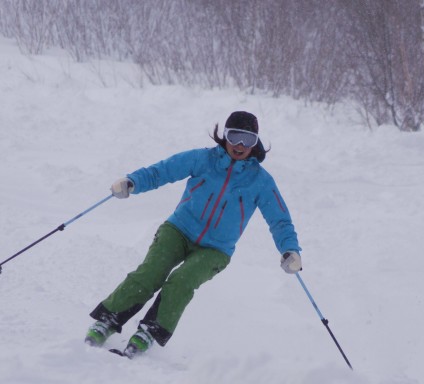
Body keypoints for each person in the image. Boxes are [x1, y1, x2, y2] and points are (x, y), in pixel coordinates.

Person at [85, 111, 302, 358]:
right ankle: (107, 320)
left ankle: (149, 331)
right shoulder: (202, 159)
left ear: (256, 142)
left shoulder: (261, 181)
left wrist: (290, 250)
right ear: (224, 137)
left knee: (182, 281)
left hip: (215, 250)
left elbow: (280, 220)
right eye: (235, 137)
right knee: (151, 272)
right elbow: (162, 171)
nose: (240, 145)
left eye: (248, 139)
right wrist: (132, 182)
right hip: (178, 230)